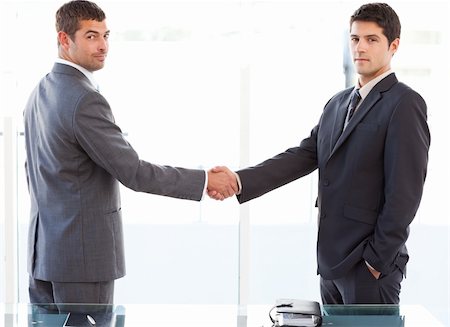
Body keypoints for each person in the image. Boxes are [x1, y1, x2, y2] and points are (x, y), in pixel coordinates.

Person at [211, 3, 430, 304]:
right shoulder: (337, 103)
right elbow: (302, 156)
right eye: (355, 39)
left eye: (371, 39)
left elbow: (405, 194)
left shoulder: (404, 103)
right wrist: (239, 180)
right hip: (330, 265)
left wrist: (376, 261)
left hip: (369, 268)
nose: (360, 47)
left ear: (394, 45)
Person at [23, 0, 237, 305]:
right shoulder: (83, 100)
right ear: (64, 39)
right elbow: (134, 172)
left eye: (106, 35)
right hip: (82, 260)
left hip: (43, 254)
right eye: (91, 36)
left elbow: (34, 171)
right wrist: (204, 181)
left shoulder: (41, 90)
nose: (103, 46)